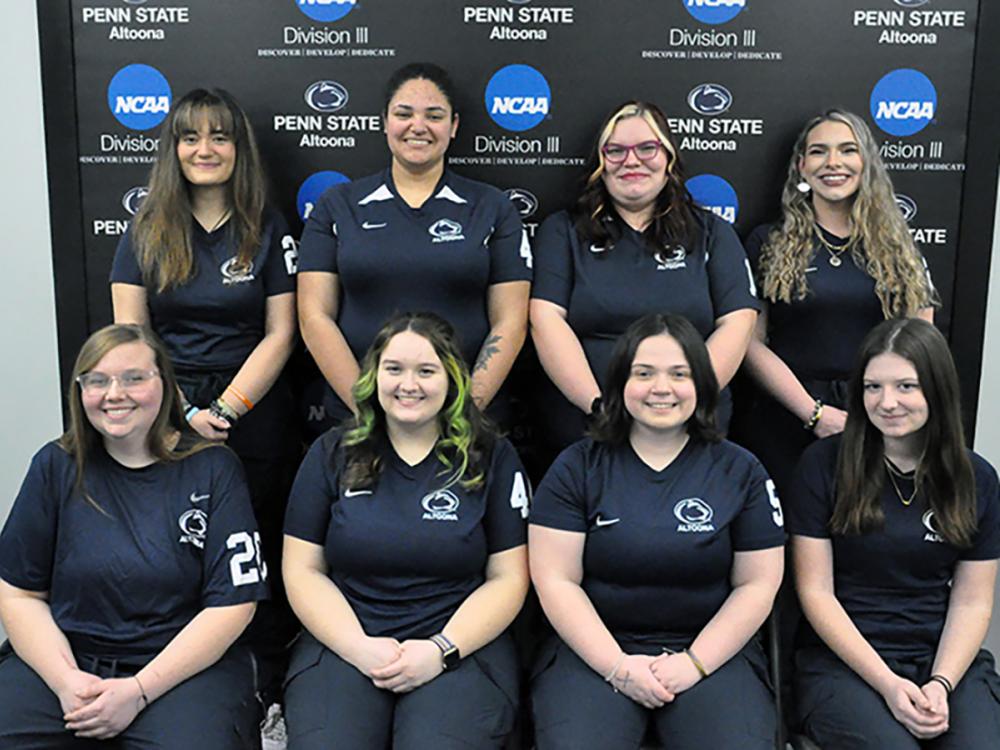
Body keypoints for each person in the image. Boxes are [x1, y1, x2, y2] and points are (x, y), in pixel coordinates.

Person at [109, 87, 299, 691]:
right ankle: (174, 675)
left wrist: (225, 409)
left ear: (238, 148)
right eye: (191, 137)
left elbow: (282, 332)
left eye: (219, 136)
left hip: (254, 408)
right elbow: (130, 336)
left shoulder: (266, 227)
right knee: (177, 544)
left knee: (258, 540)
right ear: (174, 149)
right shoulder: (146, 229)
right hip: (163, 409)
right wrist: (184, 410)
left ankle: (265, 679)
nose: (205, 149)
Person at [0, 324, 268, 748]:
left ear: (165, 384)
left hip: (178, 667)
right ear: (80, 390)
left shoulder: (213, 468)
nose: (114, 393)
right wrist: (67, 682)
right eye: (97, 380)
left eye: (133, 378)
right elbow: (18, 595)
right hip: (68, 658)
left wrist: (139, 689)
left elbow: (233, 607)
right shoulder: (55, 465)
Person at [529, 312, 785, 750]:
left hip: (711, 653)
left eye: (679, 374)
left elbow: (758, 584)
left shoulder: (741, 470)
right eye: (643, 373)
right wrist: (618, 667)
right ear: (619, 383)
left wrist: (694, 664)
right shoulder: (577, 466)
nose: (661, 388)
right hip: (596, 652)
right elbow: (556, 580)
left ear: (703, 385)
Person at [281, 312, 530, 749]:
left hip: (459, 648)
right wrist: (358, 647)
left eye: (426, 371)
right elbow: (302, 570)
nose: (407, 385)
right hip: (345, 642)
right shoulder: (332, 452)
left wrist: (441, 649)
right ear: (374, 376)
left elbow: (510, 577)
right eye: (393, 369)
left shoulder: (492, 457)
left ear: (452, 379)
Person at [788, 318, 1000, 749]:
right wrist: (887, 683)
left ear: (937, 390)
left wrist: (941, 683)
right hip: (844, 663)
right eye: (872, 387)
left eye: (906, 386)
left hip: (941, 657)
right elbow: (815, 593)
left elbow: (973, 599)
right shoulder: (823, 465)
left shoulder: (975, 477)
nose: (887, 402)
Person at [296, 62, 531, 428]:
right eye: (403, 114)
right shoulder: (337, 205)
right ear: (385, 122)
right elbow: (314, 317)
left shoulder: (492, 207)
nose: (417, 126)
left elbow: (511, 321)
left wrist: (463, 413)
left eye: (434, 116)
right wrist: (368, 411)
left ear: (453, 127)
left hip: (466, 424)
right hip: (357, 420)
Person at [529, 100, 759, 451]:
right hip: (588, 426)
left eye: (647, 148)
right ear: (600, 163)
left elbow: (738, 322)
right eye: (616, 151)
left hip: (691, 426)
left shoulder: (711, 232)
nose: (631, 161)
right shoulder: (562, 231)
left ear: (668, 157)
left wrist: (683, 402)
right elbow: (545, 320)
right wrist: (599, 406)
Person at [737, 109, 936, 491]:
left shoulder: (898, 247)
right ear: (801, 166)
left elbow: (921, 340)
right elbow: (748, 342)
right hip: (785, 418)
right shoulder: (768, 242)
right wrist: (812, 414)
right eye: (819, 152)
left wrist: (884, 406)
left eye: (847, 150)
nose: (833, 163)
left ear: (866, 163)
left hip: (878, 416)